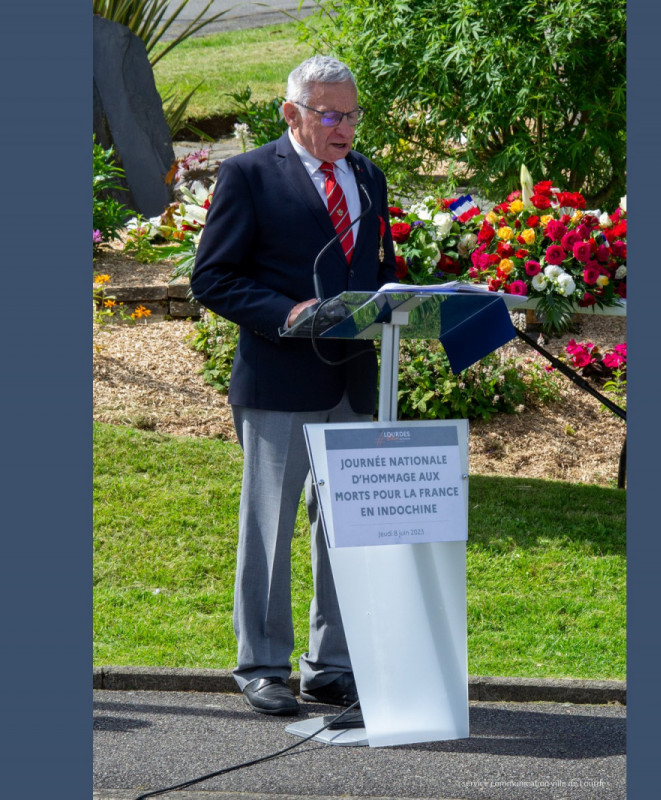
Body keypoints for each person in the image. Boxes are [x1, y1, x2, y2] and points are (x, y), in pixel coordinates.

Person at [190, 55, 398, 715]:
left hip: (354, 381)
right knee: (270, 528)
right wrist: (284, 314)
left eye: (352, 114)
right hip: (279, 381)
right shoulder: (249, 174)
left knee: (344, 528)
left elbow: (379, 266)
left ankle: (330, 666)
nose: (344, 130)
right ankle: (262, 666)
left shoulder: (368, 176)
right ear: (292, 114)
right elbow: (212, 277)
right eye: (330, 115)